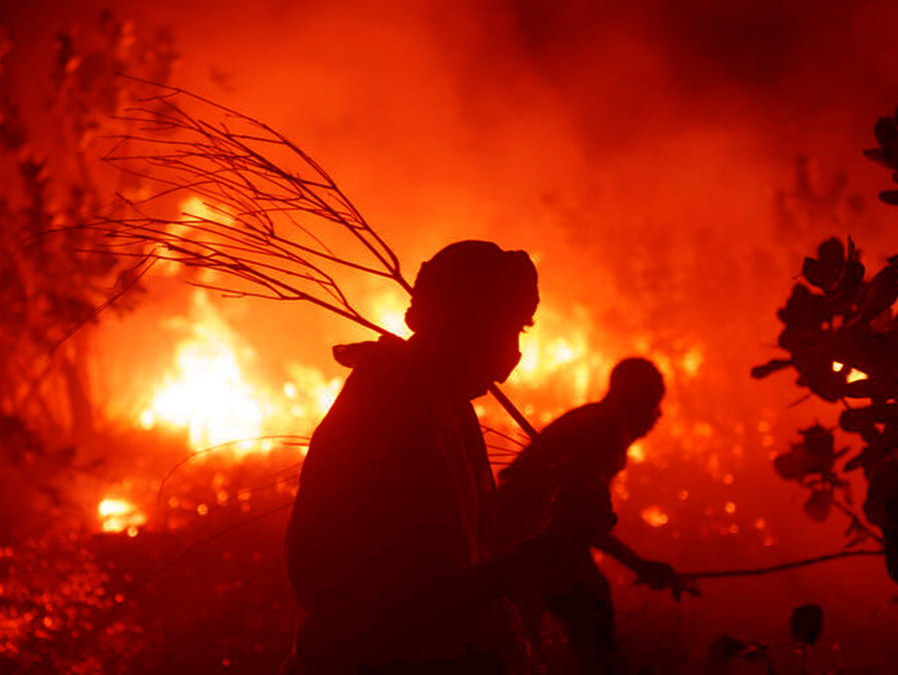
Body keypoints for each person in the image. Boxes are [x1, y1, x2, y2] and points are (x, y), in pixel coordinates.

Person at [284, 240, 543, 673]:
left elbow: (469, 549)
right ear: (463, 324)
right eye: (506, 330)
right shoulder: (394, 409)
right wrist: (548, 549)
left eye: (521, 332)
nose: (512, 356)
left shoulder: (445, 404)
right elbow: (425, 593)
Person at [497, 357, 697, 674]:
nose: (657, 415)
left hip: (529, 537)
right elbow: (578, 519)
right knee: (592, 614)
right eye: (653, 403)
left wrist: (639, 564)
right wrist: (638, 564)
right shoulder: (607, 431)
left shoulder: (594, 420)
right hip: (535, 541)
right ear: (636, 401)